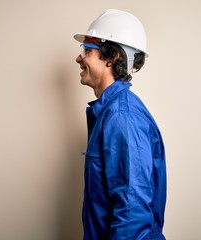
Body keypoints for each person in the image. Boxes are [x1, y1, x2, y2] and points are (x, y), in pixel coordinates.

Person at [73, 9, 167, 240]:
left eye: (87, 50)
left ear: (112, 57)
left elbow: (131, 215)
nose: (78, 58)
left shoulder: (122, 117)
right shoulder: (109, 111)